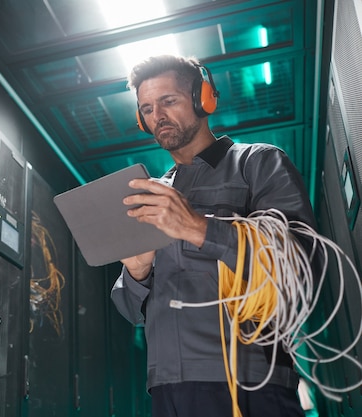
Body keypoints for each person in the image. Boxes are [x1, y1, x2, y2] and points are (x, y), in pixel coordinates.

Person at [111, 54, 316, 417]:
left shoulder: (259, 164)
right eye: (147, 108)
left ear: (203, 99)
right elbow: (130, 310)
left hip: (248, 383)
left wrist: (196, 227)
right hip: (167, 389)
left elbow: (300, 267)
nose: (157, 115)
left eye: (168, 101)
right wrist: (138, 273)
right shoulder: (151, 195)